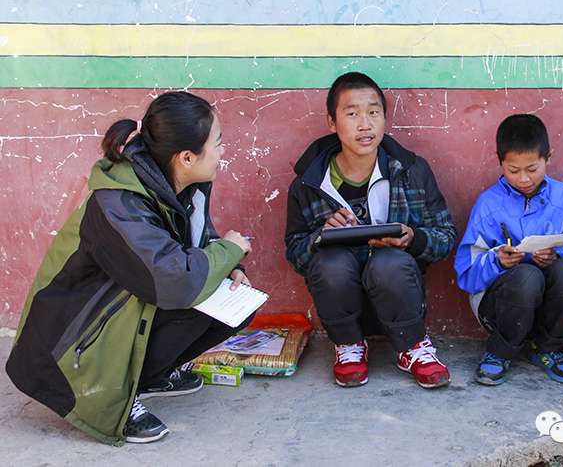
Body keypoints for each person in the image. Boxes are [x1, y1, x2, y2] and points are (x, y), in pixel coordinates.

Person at [6, 92, 254, 445]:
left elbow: (197, 241)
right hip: (72, 339)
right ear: (186, 157)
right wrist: (229, 250)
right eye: (218, 143)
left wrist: (229, 265)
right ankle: (117, 395)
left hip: (129, 304)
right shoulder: (118, 203)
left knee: (235, 301)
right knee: (191, 292)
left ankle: (149, 377)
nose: (223, 151)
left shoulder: (185, 184)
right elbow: (175, 282)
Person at [285, 72, 456, 389]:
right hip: (339, 306)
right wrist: (320, 237)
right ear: (332, 122)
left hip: (402, 299)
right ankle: (349, 346)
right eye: (352, 114)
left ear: (384, 118)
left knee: (389, 261)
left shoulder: (411, 171)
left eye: (374, 112)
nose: (365, 124)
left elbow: (446, 236)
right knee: (330, 261)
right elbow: (295, 255)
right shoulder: (309, 184)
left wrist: (413, 238)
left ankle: (412, 348)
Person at [454, 114, 563, 386]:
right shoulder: (488, 204)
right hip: (499, 309)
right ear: (499, 161)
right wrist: (497, 262)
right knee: (526, 276)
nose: (523, 179)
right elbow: (467, 275)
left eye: (532, 168)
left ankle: (550, 348)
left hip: (551, 310)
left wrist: (558, 257)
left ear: (548, 157)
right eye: (513, 170)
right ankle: (500, 351)